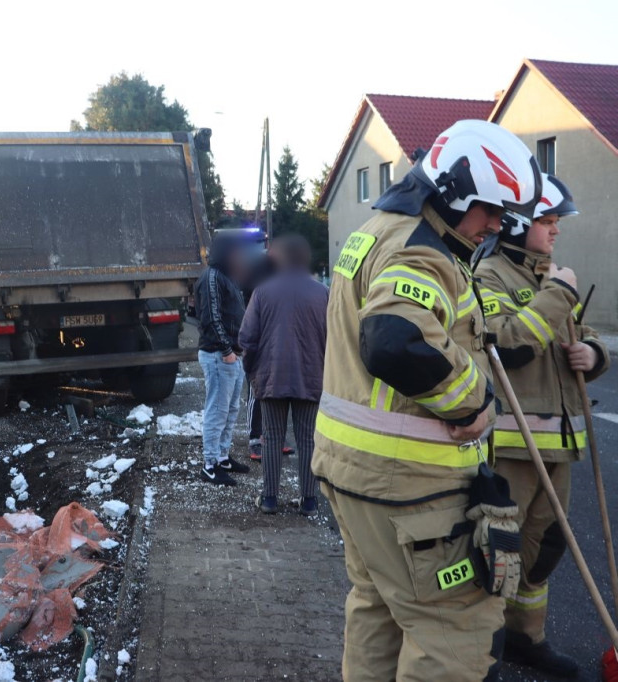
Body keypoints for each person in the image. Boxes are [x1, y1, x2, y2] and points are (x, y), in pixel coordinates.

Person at [312, 120, 542, 681]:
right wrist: (473, 402)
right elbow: (393, 338)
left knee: (378, 612)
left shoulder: (377, 230)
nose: (495, 224)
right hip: (411, 489)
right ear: (454, 190)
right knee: (453, 627)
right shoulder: (426, 252)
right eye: (488, 208)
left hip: (355, 477)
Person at [475, 174, 610, 678]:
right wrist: (556, 293)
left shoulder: (551, 276)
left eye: (557, 223)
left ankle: (525, 639)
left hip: (560, 445)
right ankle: (484, 646)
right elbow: (506, 344)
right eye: (547, 221)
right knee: (503, 551)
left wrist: (591, 352)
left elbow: (585, 335)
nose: (555, 232)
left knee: (545, 547)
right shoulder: (488, 276)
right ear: (515, 222)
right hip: (513, 447)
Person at [239, 234, 327, 515]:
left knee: (272, 437)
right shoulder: (323, 293)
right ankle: (309, 500)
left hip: (271, 375)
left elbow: (247, 337)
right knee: (307, 439)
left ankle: (269, 498)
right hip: (311, 376)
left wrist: (252, 371)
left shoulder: (263, 292)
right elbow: (335, 339)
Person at [194, 232, 252, 485]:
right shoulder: (213, 277)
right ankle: (209, 465)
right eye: (236, 251)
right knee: (217, 411)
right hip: (219, 356)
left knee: (230, 410)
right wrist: (227, 350)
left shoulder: (226, 276)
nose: (240, 256)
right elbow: (211, 317)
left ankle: (222, 457)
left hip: (231, 355)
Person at [241, 243, 295, 462]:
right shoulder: (252, 281)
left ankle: (275, 437)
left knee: (278, 392)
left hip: (278, 344)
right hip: (259, 343)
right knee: (256, 393)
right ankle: (255, 439)